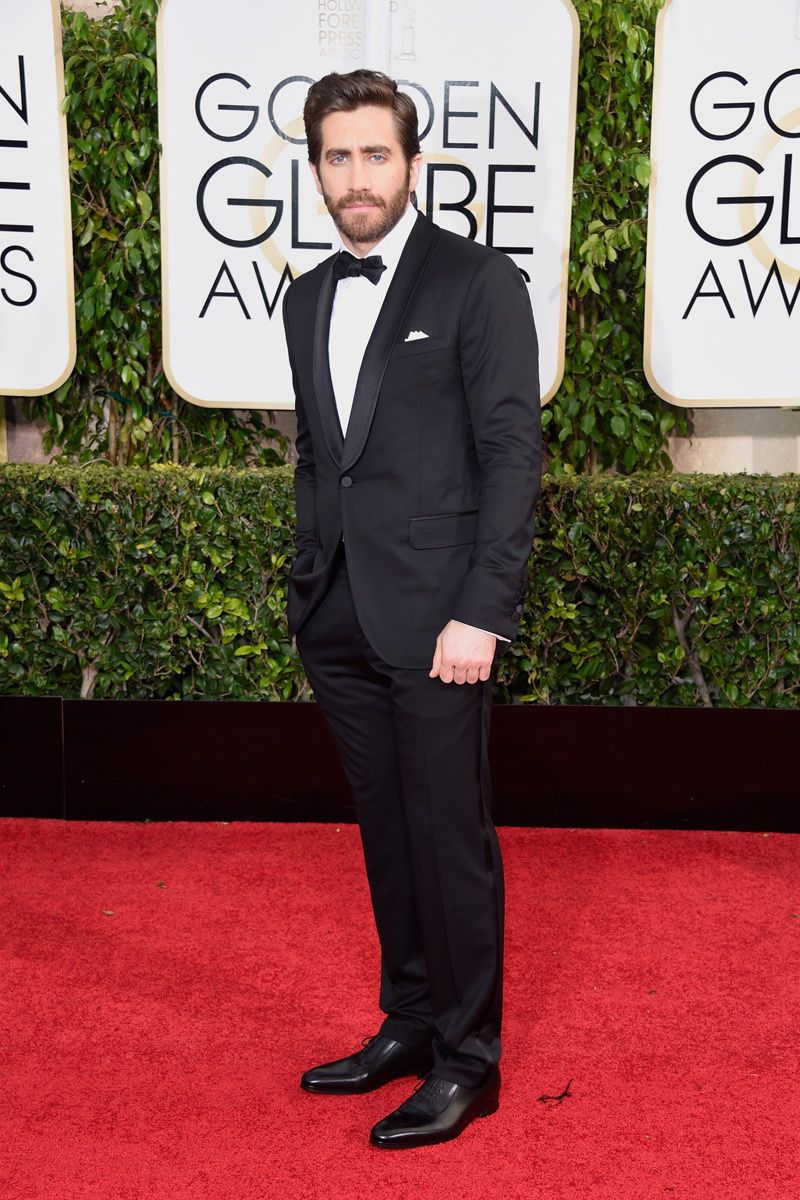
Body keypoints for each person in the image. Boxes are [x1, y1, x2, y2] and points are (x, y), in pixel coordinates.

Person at [281, 68, 541, 1149]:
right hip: (339, 614)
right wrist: (308, 581)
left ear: (413, 164)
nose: (357, 177)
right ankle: (411, 1019)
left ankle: (468, 1060)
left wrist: (482, 609)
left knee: (447, 838)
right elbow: (321, 457)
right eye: (337, 156)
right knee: (387, 832)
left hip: (440, 620)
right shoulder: (305, 296)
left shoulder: (478, 282)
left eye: (375, 155)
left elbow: (511, 453)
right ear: (316, 169)